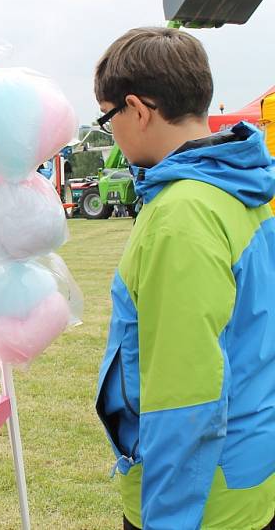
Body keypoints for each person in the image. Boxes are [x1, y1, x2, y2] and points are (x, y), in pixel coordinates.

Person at [93, 27, 275, 530]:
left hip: (202, 502)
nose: (113, 133)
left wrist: (168, 519)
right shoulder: (240, 189)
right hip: (244, 477)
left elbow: (186, 395)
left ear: (138, 109)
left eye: (108, 118)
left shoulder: (183, 214)